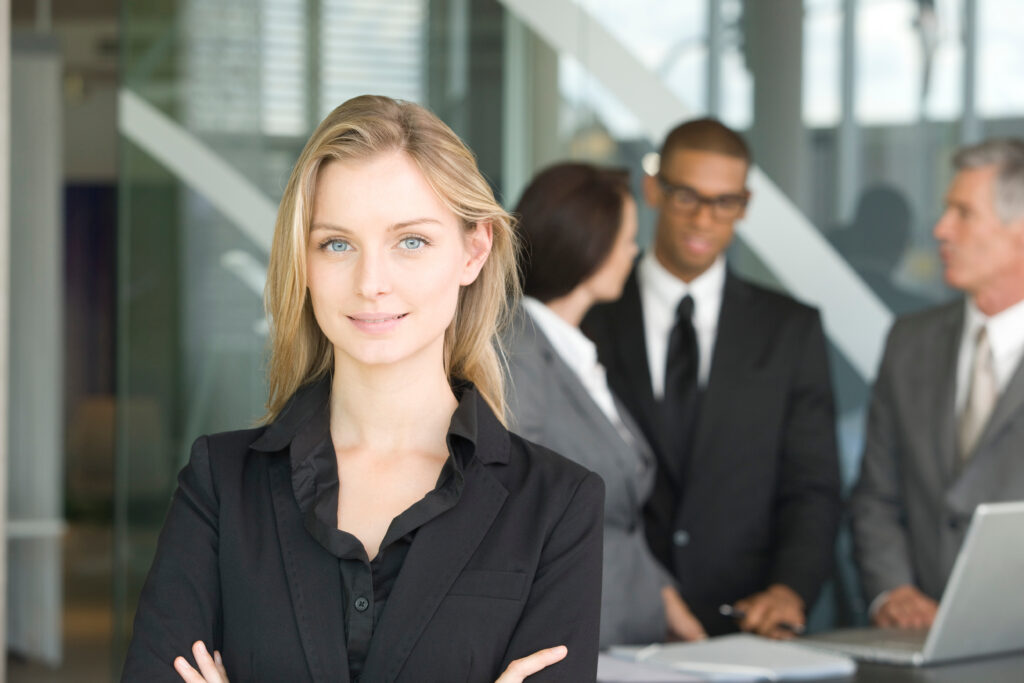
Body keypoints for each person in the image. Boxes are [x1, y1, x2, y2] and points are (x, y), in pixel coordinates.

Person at [121, 95, 604, 682]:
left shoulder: (556, 505)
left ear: (473, 251)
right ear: (304, 260)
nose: (371, 283)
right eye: (337, 244)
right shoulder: (220, 485)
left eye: (411, 241)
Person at [583, 118, 841, 639]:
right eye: (686, 197)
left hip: (746, 621)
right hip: (611, 615)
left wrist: (791, 588)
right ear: (654, 189)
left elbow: (812, 486)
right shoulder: (589, 317)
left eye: (724, 202)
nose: (704, 218)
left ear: (743, 206)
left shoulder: (790, 330)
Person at [504, 162, 705, 647]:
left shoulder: (573, 350)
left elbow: (621, 523)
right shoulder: (517, 352)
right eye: (627, 239)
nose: (634, 253)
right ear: (588, 244)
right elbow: (516, 504)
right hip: (577, 637)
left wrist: (664, 597)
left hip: (630, 634)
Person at [850, 138, 1024, 630]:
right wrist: (893, 590)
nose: (941, 229)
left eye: (963, 213)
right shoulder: (909, 342)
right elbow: (874, 495)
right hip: (914, 643)